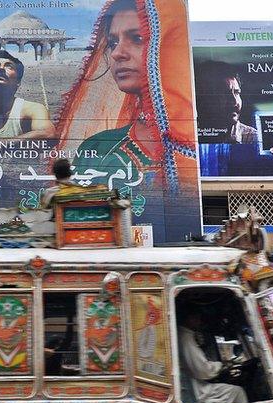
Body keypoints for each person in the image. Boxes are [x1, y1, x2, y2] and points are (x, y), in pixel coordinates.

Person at [57, 0, 196, 232]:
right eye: (112, 43)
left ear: (170, 46)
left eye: (137, 38)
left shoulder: (195, 152)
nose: (118, 53)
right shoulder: (97, 148)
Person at [177, 308, 248, 403]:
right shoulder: (185, 337)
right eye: (197, 318)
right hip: (196, 389)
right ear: (189, 319)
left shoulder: (183, 335)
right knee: (237, 392)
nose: (199, 322)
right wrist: (220, 366)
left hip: (192, 385)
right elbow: (203, 370)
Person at [195, 62, 257, 144]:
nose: (235, 102)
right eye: (224, 94)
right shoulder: (190, 135)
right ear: (206, 98)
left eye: (237, 93)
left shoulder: (253, 138)